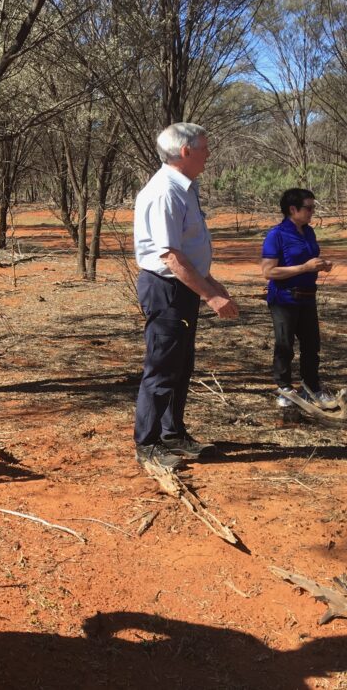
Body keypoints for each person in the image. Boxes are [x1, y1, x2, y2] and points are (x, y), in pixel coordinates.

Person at [132, 122, 239, 470]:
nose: (209, 154)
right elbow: (171, 256)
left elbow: (188, 250)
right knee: (163, 367)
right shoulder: (166, 190)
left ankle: (172, 434)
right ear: (186, 152)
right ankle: (147, 445)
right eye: (205, 148)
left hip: (184, 286)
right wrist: (211, 297)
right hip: (166, 289)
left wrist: (211, 282)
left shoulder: (185, 187)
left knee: (181, 366)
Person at [261, 188, 335, 408]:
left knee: (312, 345)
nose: (312, 211)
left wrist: (320, 265)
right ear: (293, 209)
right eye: (309, 207)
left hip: (307, 298)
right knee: (285, 345)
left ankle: (312, 388)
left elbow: (309, 261)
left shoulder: (309, 232)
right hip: (284, 299)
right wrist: (305, 267)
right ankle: (284, 389)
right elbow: (268, 272)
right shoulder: (277, 235)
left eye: (313, 207)